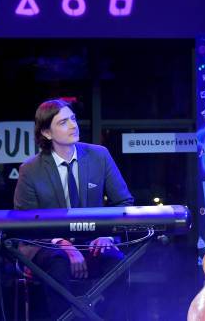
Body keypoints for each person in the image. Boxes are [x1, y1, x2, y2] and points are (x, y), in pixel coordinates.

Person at [14, 99, 135, 321]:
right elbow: (26, 223)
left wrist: (106, 235)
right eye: (63, 122)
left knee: (116, 260)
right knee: (58, 260)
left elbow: (124, 203)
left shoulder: (99, 156)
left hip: (91, 242)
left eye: (73, 118)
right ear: (47, 133)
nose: (73, 125)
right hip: (47, 245)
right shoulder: (30, 169)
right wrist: (62, 243)